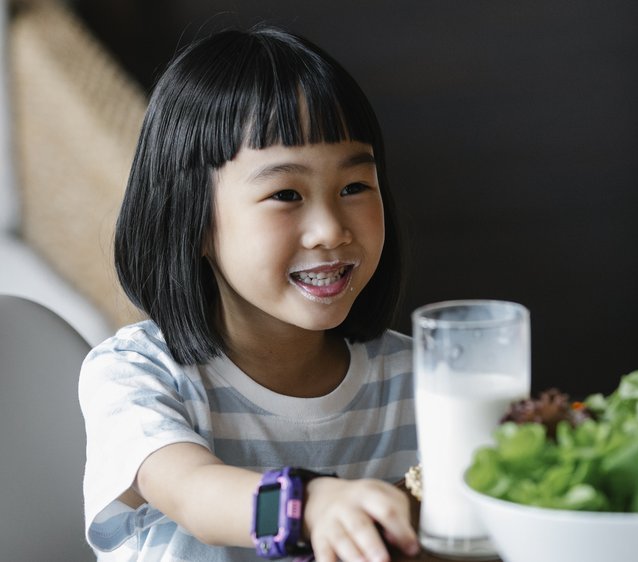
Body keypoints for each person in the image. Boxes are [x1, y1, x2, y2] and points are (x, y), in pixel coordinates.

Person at [79, 23, 420, 562]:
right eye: (286, 193)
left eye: (354, 187)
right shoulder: (137, 375)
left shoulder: (419, 381)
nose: (331, 229)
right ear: (192, 220)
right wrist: (308, 506)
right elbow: (194, 495)